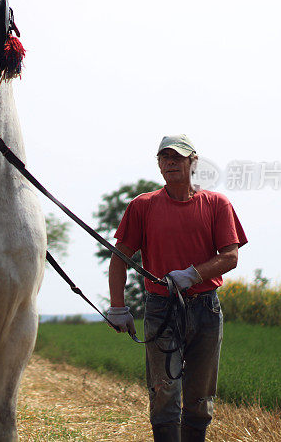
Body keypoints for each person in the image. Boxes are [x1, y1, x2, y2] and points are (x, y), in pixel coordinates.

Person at [106, 134, 247, 442]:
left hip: (206, 308)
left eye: (178, 158)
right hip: (162, 308)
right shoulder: (142, 206)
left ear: (192, 162)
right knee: (164, 393)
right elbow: (119, 259)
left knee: (199, 399)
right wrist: (118, 307)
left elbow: (231, 256)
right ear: (158, 165)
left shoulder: (216, 204)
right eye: (164, 158)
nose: (170, 163)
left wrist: (192, 275)